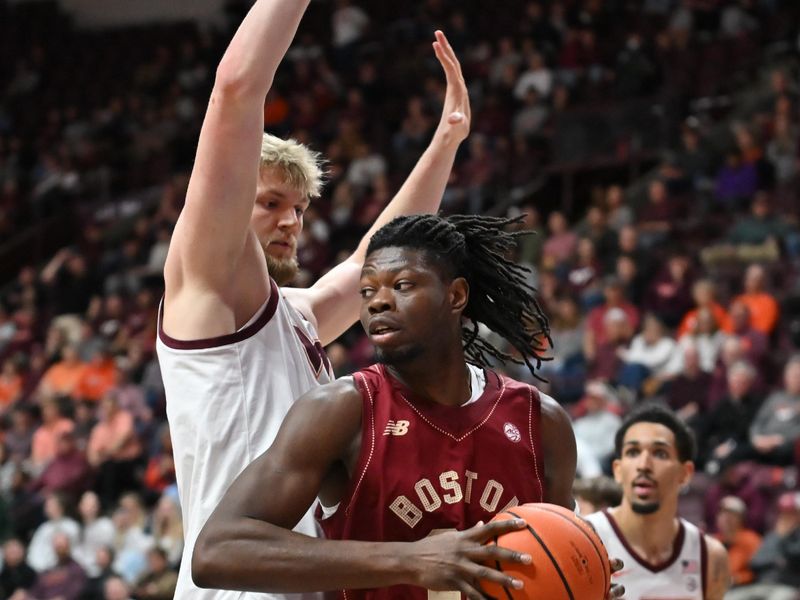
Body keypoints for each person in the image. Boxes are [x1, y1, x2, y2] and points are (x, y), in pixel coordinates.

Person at [156, 1, 472, 598]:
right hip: (237, 587)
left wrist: (447, 139)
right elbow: (235, 89)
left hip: (295, 578)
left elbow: (369, 260)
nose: (289, 221)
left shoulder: (293, 314)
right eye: (270, 202)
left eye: (298, 209)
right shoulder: (209, 284)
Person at [192, 214, 619, 599]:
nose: (377, 302)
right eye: (367, 291)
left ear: (455, 296)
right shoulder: (342, 410)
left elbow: (551, 565)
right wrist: (410, 561)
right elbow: (218, 551)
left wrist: (580, 581)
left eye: (402, 285)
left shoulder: (539, 421)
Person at [585, 403, 730, 599]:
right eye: (633, 452)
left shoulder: (710, 556)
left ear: (685, 473)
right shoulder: (584, 539)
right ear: (618, 470)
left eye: (660, 453)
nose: (644, 465)